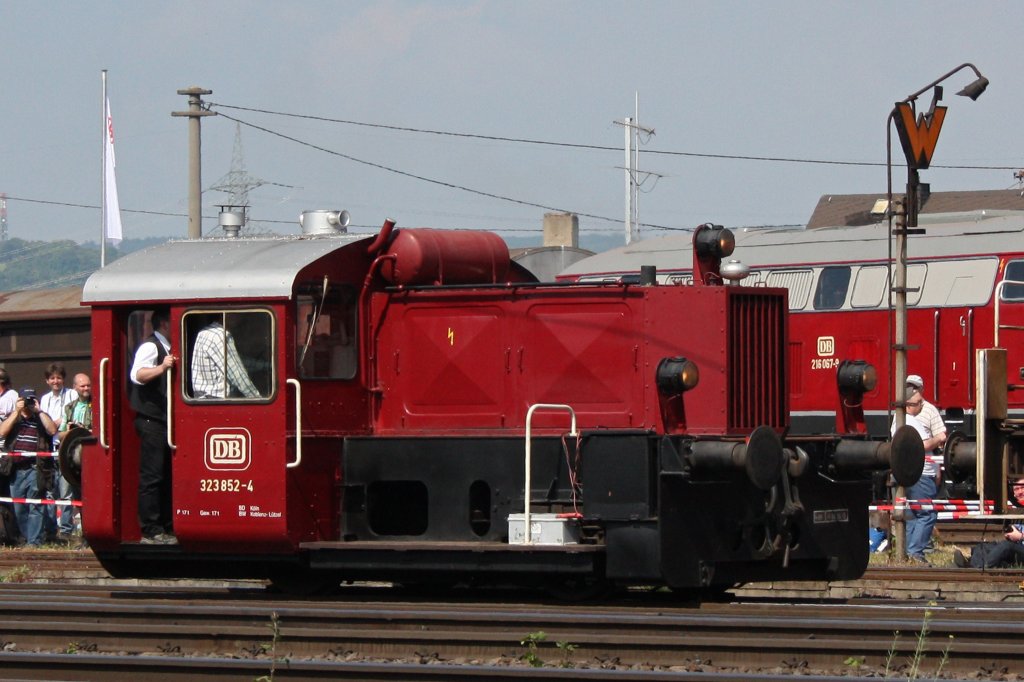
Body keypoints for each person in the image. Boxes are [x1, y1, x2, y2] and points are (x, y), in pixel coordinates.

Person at [129, 307, 178, 545]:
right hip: (152, 419)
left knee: (166, 473)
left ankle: (167, 526)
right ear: (165, 324)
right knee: (153, 475)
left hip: (164, 419)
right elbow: (137, 375)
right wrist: (162, 368)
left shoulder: (169, 348)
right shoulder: (151, 347)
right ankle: (150, 529)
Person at [892, 386, 946, 563]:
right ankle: (916, 552)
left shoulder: (901, 421)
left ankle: (909, 552)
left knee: (915, 514)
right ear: (908, 405)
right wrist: (939, 439)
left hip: (914, 473)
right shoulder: (911, 422)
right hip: (921, 474)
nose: (922, 405)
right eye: (919, 403)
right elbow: (922, 445)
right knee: (927, 513)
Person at [0, 388, 57, 546]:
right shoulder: (15, 418)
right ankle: (25, 537)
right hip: (16, 468)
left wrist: (39, 411)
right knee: (19, 507)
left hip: (36, 468)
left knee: (36, 505)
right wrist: (16, 412)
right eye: (25, 400)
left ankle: (34, 541)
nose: (28, 404)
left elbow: (52, 430)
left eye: (30, 400)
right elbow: (2, 432)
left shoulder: (41, 417)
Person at [39, 362, 79, 540]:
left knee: (65, 491)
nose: (56, 381)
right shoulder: (45, 398)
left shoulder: (71, 394)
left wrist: (55, 423)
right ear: (47, 381)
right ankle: (49, 529)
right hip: (48, 447)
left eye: (59, 378)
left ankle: (65, 529)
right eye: (52, 378)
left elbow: (68, 416)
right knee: (49, 490)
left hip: (65, 446)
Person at [954, 478, 1024, 569]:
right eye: (1016, 489)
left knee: (1006, 546)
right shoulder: (1017, 510)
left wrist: (1021, 536)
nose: (1020, 492)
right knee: (982, 547)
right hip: (1017, 547)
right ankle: (974, 567)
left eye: (1022, 488)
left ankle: (982, 568)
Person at [56, 373, 92, 542]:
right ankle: (84, 535)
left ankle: (92, 535)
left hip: (92, 459)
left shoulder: (97, 404)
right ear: (75, 387)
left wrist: (84, 430)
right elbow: (61, 433)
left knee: (91, 498)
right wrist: (71, 431)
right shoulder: (69, 408)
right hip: (74, 462)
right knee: (77, 498)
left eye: (88, 385)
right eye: (83, 386)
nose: (86, 389)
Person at [191, 318, 260, 399]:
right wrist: (258, 399)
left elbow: (236, 362)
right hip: (217, 400)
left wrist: (263, 365)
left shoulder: (203, 332)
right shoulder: (222, 335)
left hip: (200, 400)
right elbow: (238, 375)